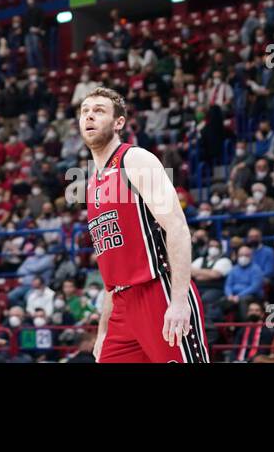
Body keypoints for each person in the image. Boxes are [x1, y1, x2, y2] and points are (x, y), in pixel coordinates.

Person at [82, 87, 209, 362]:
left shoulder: (136, 160)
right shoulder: (92, 183)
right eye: (85, 111)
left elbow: (178, 228)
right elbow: (111, 265)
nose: (89, 116)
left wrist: (178, 301)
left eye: (99, 110)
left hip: (157, 291)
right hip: (120, 304)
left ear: (119, 123)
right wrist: (103, 330)